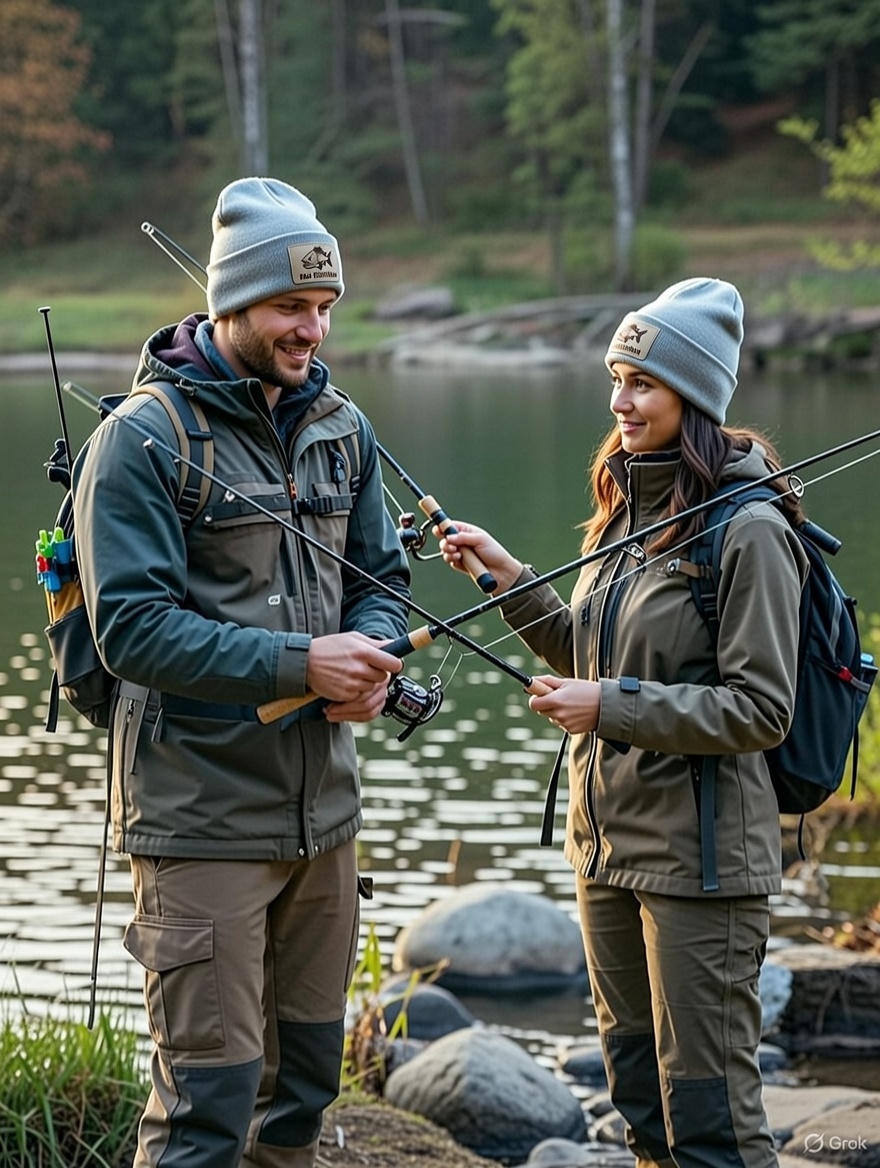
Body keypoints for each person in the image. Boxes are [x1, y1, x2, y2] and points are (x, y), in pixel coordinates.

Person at [73, 177, 410, 1168]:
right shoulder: (139, 440)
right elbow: (131, 631)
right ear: (231, 305)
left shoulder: (343, 428)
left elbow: (381, 580)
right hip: (199, 819)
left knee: (299, 1096)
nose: (312, 329)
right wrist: (303, 659)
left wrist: (373, 654)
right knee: (201, 1114)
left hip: (325, 820)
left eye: (323, 308)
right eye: (290, 307)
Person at [439, 278, 808, 1168]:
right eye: (616, 378)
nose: (619, 400)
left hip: (703, 868)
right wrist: (506, 577)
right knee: (641, 1105)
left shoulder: (749, 529)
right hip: (606, 851)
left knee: (712, 1120)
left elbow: (761, 709)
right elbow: (588, 649)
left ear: (695, 394)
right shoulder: (624, 510)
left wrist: (609, 707)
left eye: (641, 382)